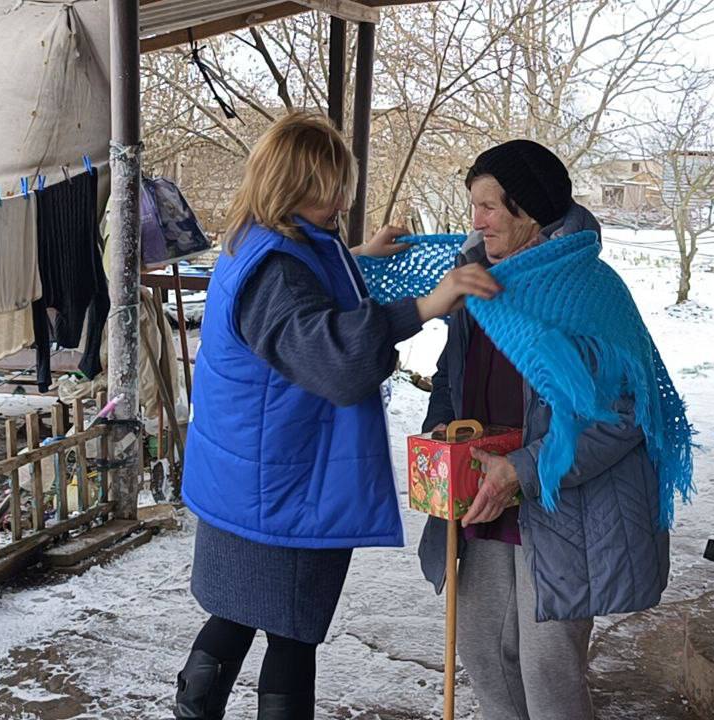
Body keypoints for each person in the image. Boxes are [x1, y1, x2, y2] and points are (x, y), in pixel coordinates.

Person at [175, 112, 499, 720]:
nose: (341, 199)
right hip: (288, 482)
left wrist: (358, 256)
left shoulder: (257, 240)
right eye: (329, 187)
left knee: (241, 609)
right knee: (291, 628)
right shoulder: (278, 270)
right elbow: (338, 359)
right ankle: (200, 707)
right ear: (291, 184)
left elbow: (307, 295)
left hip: (253, 475)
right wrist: (430, 303)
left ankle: (194, 704)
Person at [418, 139, 671, 720]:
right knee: (484, 655)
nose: (475, 222)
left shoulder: (588, 292)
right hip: (484, 492)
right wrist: (440, 432)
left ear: (528, 210)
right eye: (473, 206)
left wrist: (524, 468)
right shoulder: (477, 281)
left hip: (559, 506)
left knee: (547, 674)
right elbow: (453, 374)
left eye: (488, 207)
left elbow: (627, 411)